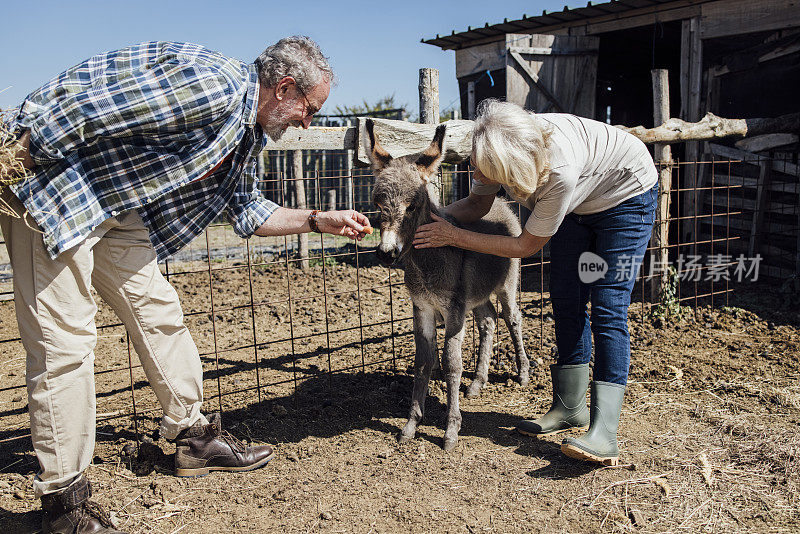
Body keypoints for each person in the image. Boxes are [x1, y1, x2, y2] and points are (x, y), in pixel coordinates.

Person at [1, 37, 370, 533]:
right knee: (64, 340)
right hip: (55, 187)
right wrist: (23, 150)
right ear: (284, 88)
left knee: (156, 307)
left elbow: (249, 211)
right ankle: (64, 504)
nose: (308, 123)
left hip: (112, 201)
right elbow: (100, 105)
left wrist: (319, 219)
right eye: (310, 109)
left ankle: (193, 436)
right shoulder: (213, 86)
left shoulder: (247, 132)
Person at [413, 99, 657, 467]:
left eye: (481, 168)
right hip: (578, 204)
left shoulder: (559, 172)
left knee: (607, 307)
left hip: (626, 197)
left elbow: (524, 246)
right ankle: (570, 408)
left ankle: (604, 432)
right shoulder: (500, 143)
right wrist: (431, 219)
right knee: (566, 299)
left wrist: (454, 237)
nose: (474, 171)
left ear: (507, 166)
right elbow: (477, 207)